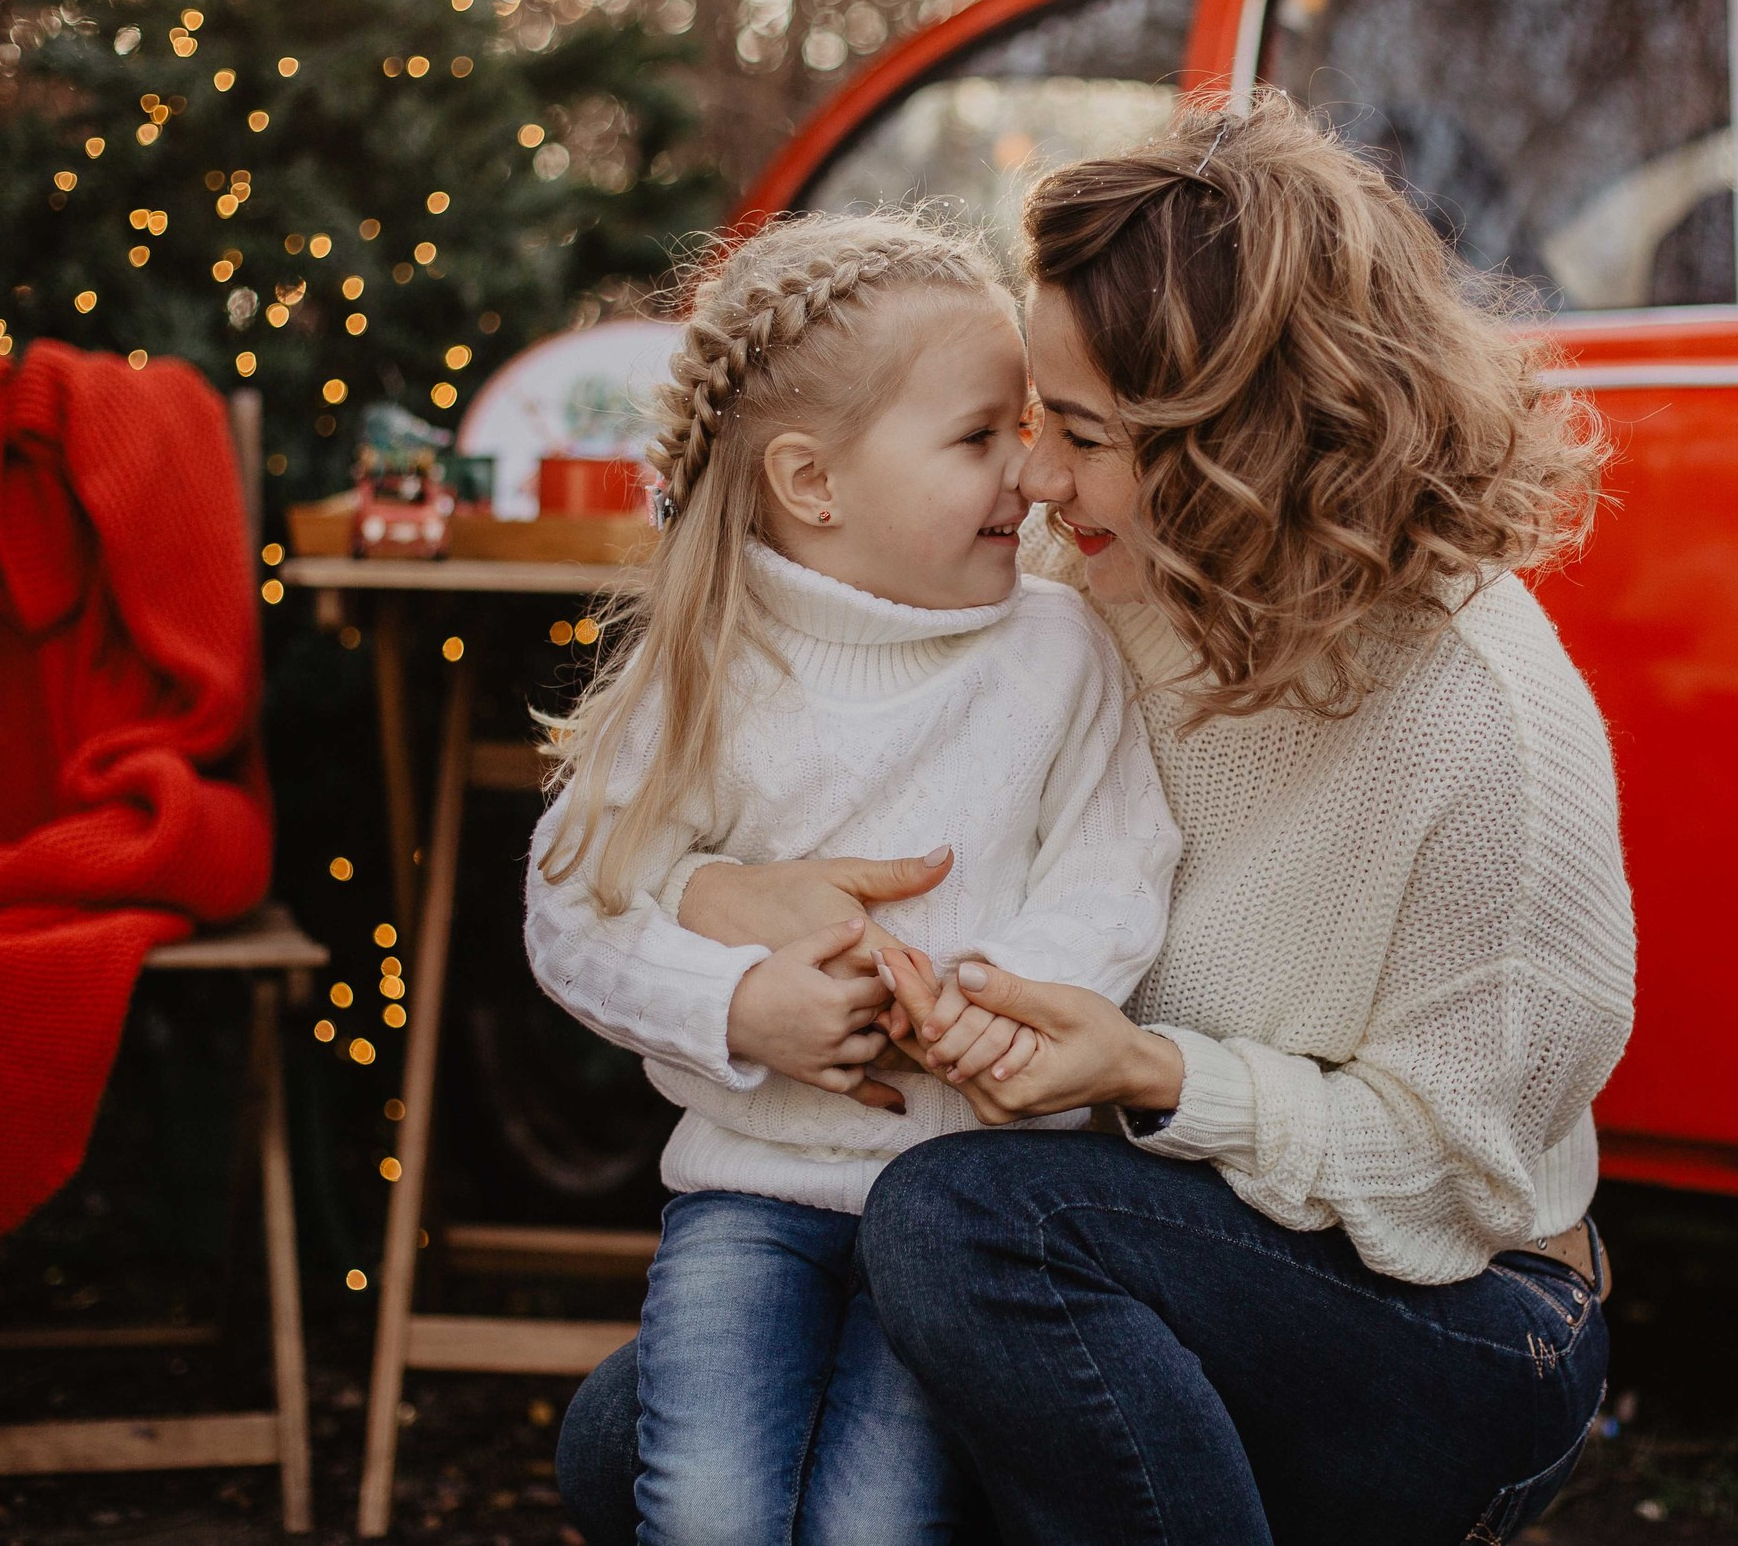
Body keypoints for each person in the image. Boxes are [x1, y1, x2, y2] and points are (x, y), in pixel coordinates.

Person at [561, 93, 1635, 1545]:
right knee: (627, 1436)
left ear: (1244, 437)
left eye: (1077, 433)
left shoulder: (1484, 723)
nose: (1040, 486)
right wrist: (721, 905)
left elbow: (1460, 1167)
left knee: (960, 1229)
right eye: (1021, 429)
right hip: (1115, 1252)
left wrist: (1148, 1070)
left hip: (1451, 1324)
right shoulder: (1078, 587)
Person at [527, 211, 1181, 1546]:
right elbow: (575, 904)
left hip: (956, 1220)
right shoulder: (715, 661)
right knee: (707, 1511)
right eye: (979, 436)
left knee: (874, 1529)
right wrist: (734, 1008)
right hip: (748, 1198)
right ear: (811, 482)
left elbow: (1115, 866)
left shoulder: (1056, 649)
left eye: (1033, 425)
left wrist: (1002, 1001)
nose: (1031, 468)